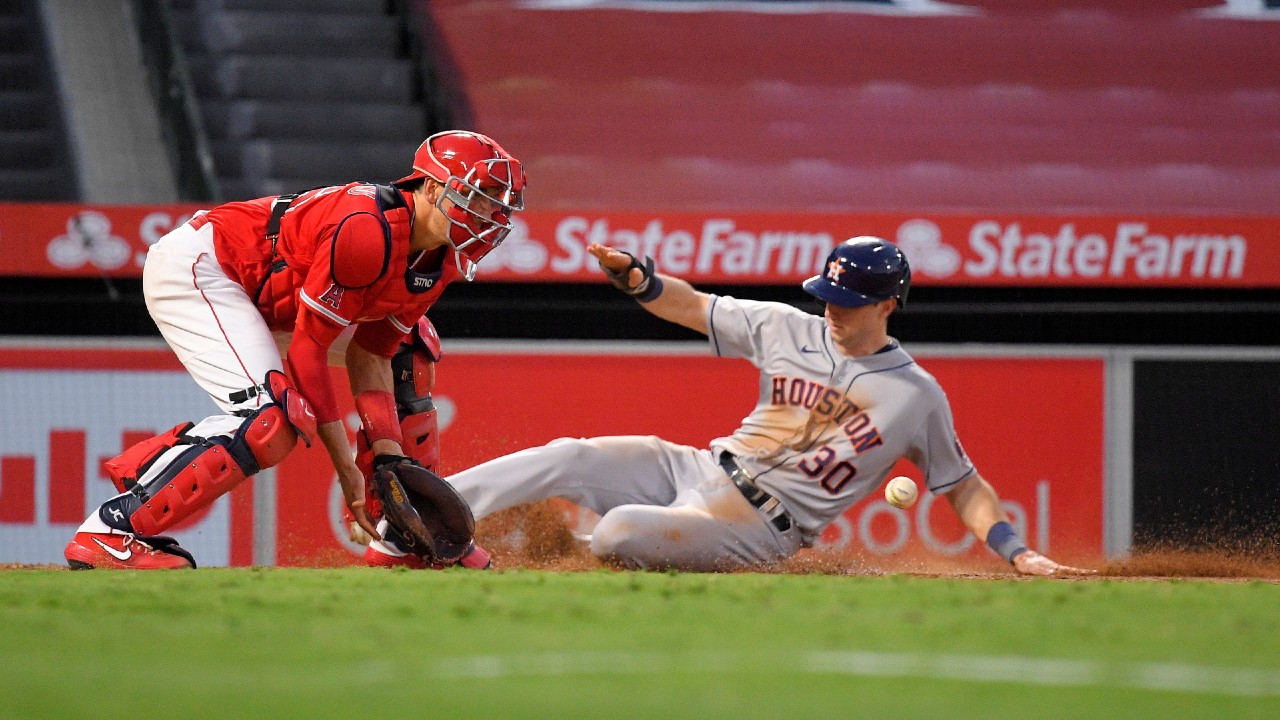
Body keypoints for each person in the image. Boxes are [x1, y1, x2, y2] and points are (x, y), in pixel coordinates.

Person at [440, 237, 1094, 575]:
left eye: (851, 301)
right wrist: (639, 279)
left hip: (760, 527)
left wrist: (1017, 551)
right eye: (829, 296)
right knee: (569, 456)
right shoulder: (788, 326)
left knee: (616, 533)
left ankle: (569, 542)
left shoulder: (915, 395)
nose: (833, 310)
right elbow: (691, 305)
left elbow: (963, 485)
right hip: (701, 468)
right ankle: (422, 516)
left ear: (890, 304)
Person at [63, 130, 526, 570]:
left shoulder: (443, 256)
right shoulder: (366, 230)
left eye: (495, 203)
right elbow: (308, 351)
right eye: (476, 195)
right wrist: (348, 471)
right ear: (429, 187)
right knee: (269, 423)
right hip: (208, 268)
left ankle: (407, 536)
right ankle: (111, 530)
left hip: (274, 302)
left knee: (413, 345)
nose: (488, 213)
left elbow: (373, 355)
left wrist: (387, 456)